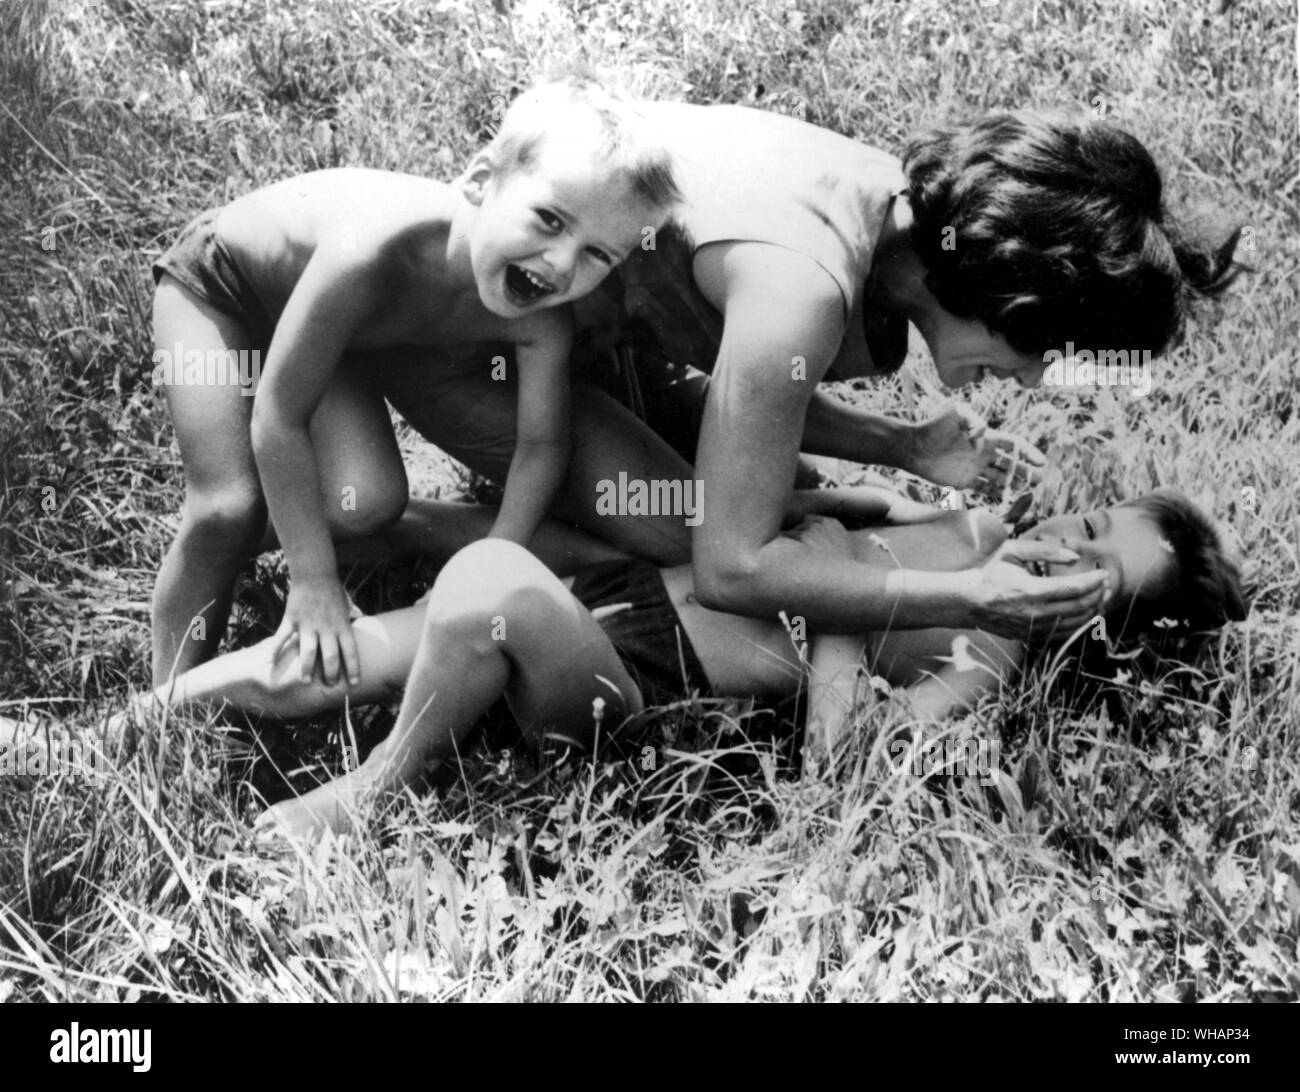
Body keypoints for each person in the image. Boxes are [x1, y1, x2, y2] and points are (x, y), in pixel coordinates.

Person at [383, 104, 1241, 644]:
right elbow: (734, 570)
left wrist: (900, 445)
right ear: (1005, 297)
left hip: (596, 350)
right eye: (1042, 356)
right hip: (473, 347)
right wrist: (967, 597)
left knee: (775, 502)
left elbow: (757, 388)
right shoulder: (805, 283)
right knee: (690, 533)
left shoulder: (886, 212)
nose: (1024, 382)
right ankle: (395, 526)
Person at [122, 487, 1243, 839]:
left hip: (634, 680)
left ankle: (371, 793)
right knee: (324, 652)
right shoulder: (969, 531)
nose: (1070, 551)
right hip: (622, 590)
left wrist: (838, 597)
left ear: (1105, 630)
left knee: (491, 585)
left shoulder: (985, 651)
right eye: (1094, 525)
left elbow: (843, 765)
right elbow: (804, 511)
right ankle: (99, 738)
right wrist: (848, 514)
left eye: (1100, 575)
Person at [148, 78, 679, 688]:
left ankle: (288, 527)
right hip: (222, 291)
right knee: (228, 508)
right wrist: (314, 581)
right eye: (549, 220)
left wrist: (490, 566)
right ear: (481, 182)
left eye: (597, 255)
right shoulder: (368, 252)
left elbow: (542, 446)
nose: (560, 263)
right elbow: (279, 417)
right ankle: (164, 704)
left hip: (333, 335)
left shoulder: (542, 321)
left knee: (368, 502)